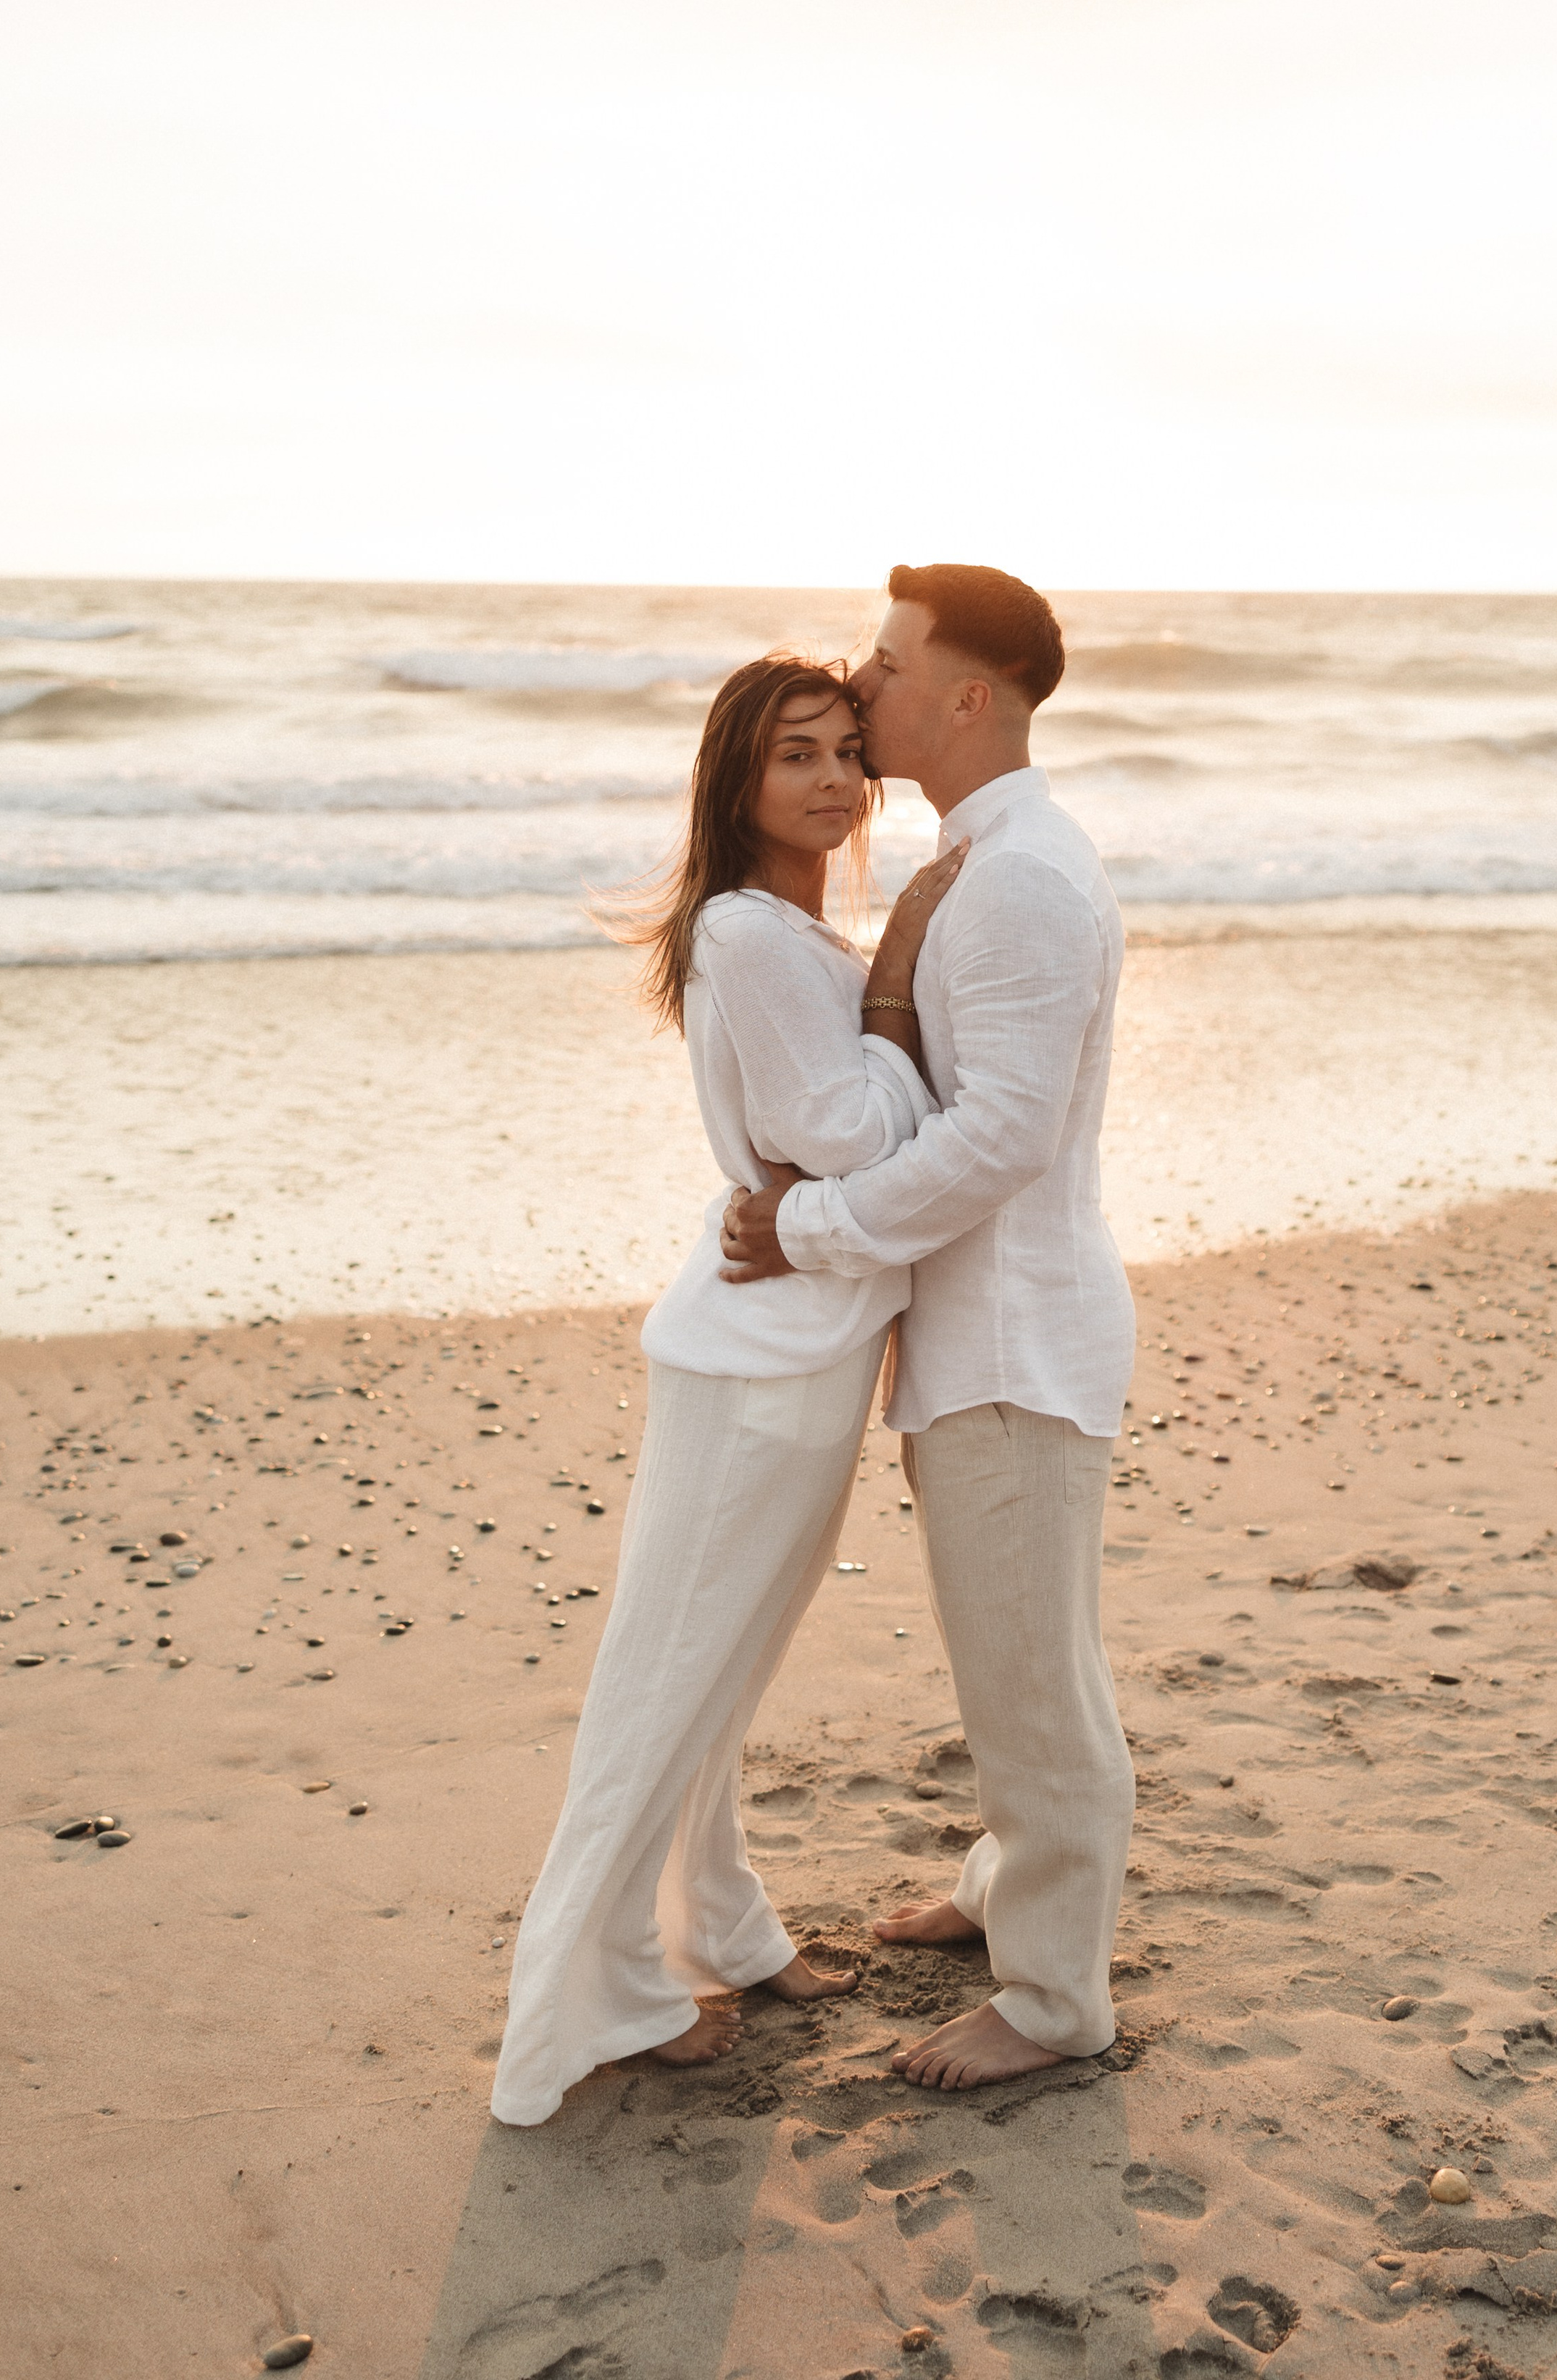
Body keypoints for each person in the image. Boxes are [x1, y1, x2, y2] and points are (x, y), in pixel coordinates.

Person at [490, 654, 965, 2127]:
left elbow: (839, 1130)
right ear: (736, 781)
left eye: (844, 752)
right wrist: (900, 993)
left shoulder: (789, 934)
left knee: (722, 1676)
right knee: (666, 1685)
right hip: (755, 1363)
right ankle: (590, 2002)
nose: (831, 779)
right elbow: (842, 1134)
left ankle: (723, 1926)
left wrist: (876, 994)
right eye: (792, 755)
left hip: (797, 1347)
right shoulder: (753, 933)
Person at [720, 563, 1137, 2091]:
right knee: (1008, 1645)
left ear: (967, 697)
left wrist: (810, 1229)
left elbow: (1001, 1134)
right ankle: (1000, 1886)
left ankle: (1055, 2001)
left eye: (888, 665)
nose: (861, 682)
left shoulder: (1018, 879)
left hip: (1016, 1343)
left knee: (1035, 1683)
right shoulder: (984, 859)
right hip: (984, 1334)